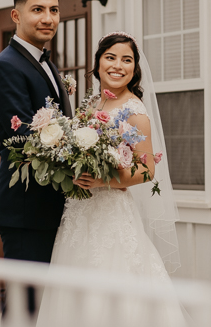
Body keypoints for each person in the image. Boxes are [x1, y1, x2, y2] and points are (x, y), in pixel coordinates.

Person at [36, 32, 186, 326]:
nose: (118, 65)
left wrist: (101, 182)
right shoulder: (91, 104)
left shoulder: (135, 112)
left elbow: (147, 170)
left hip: (112, 216)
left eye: (126, 60)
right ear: (98, 63)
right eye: (111, 57)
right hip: (79, 214)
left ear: (135, 68)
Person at [0, 0, 72, 311]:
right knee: (25, 307)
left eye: (53, 10)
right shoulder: (5, 67)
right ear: (16, 15)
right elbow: (21, 139)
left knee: (47, 306)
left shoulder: (46, 64)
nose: (47, 17)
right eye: (37, 9)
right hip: (26, 208)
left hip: (52, 207)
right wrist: (78, 160)